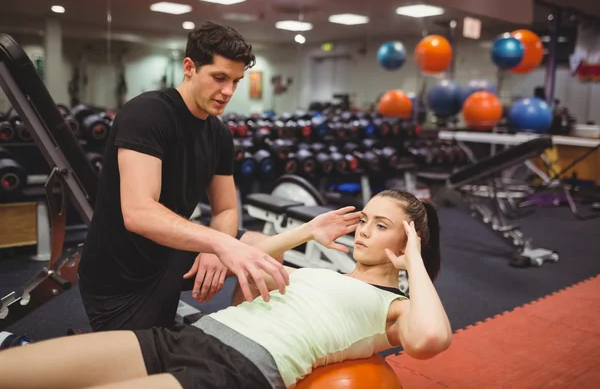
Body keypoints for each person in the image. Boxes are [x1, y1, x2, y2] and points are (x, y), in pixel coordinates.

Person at [0, 190, 452, 389]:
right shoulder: (323, 275)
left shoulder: (396, 307)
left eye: (382, 225)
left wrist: (413, 261)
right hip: (186, 336)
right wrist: (309, 231)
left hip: (236, 370)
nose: (364, 231)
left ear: (409, 238)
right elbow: (249, 255)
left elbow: (430, 340)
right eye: (364, 219)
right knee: (12, 370)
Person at [77, 21, 289, 332]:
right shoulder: (147, 115)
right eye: (219, 78)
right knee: (143, 375)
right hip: (122, 276)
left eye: (235, 81)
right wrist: (219, 243)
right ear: (189, 67)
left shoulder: (219, 133)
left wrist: (215, 248)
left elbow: (226, 209)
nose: (228, 91)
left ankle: (235, 343)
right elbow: (139, 213)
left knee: (267, 254)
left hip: (171, 255)